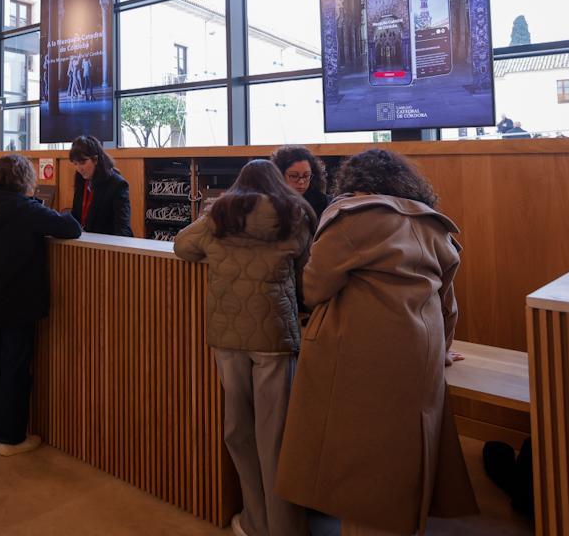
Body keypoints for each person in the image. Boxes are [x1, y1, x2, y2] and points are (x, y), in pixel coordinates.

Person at [276, 149, 478, 534]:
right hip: (421, 350)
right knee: (403, 456)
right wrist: (443, 349)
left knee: (358, 462)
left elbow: (315, 287)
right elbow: (447, 305)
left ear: (353, 181)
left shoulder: (352, 217)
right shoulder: (433, 224)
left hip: (359, 350)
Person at [174, 160, 314, 536]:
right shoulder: (295, 215)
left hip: (227, 335)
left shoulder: (221, 215)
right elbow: (307, 271)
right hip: (274, 334)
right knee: (277, 437)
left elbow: (182, 246)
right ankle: (287, 527)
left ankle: (255, 521)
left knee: (239, 432)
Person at [0, 154, 82, 455]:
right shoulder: (25, 208)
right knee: (15, 367)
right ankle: (11, 437)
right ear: (24, 180)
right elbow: (71, 228)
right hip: (17, 300)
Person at [68, 135, 132, 236]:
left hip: (106, 246)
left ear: (96, 159)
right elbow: (75, 215)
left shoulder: (117, 184)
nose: (79, 169)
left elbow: (123, 228)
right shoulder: (81, 180)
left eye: (82, 162)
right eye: (75, 164)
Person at [272, 145, 330, 225]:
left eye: (306, 175)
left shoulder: (323, 202)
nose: (301, 181)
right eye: (294, 176)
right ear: (279, 175)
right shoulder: (269, 202)